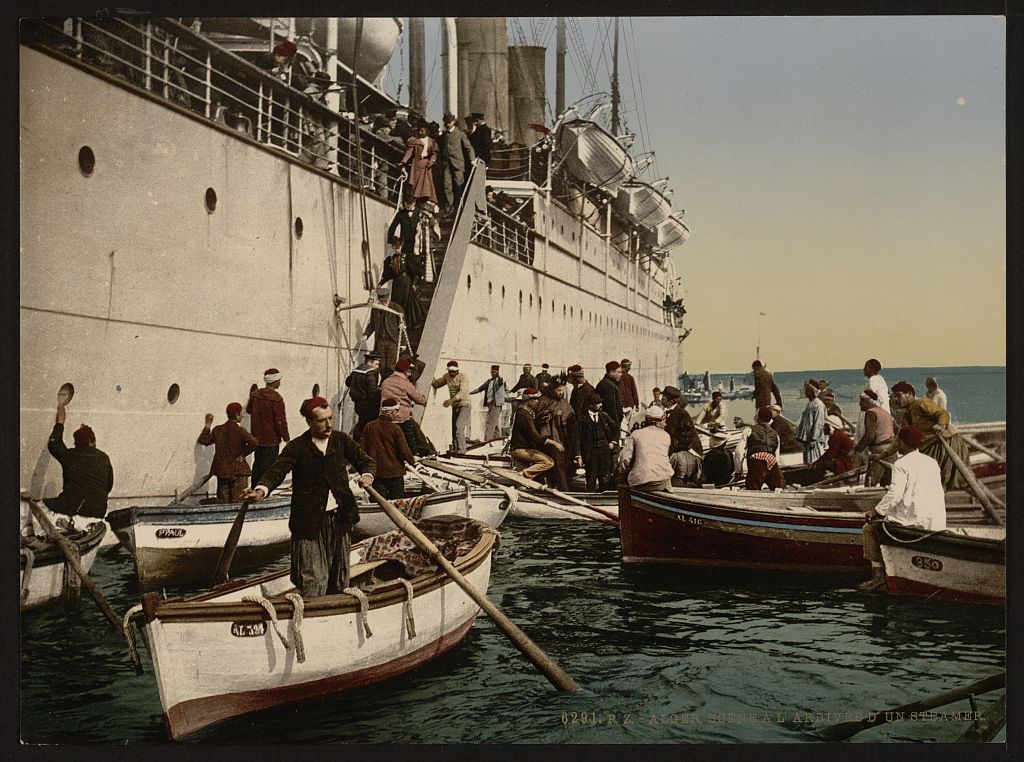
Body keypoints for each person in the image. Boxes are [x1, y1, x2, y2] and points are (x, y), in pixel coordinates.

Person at [244, 397, 375, 598]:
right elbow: (277, 470)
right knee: (312, 579)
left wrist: (367, 475)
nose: (329, 424)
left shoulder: (341, 440)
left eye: (330, 418)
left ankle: (336, 612)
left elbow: (365, 461)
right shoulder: (297, 447)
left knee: (339, 577)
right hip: (309, 521)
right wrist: (261, 489)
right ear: (310, 422)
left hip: (340, 519)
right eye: (322, 420)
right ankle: (312, 611)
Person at [858, 424, 946, 591]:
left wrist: (875, 511)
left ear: (902, 442)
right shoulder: (932, 462)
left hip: (911, 520)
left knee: (869, 528)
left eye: (898, 439)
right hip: (934, 521)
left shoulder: (901, 464)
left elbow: (894, 494)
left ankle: (878, 577)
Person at [885, 381, 970, 492]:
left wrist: (941, 425)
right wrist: (883, 454)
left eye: (898, 395)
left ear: (910, 394)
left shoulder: (922, 402)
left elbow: (942, 413)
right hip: (930, 445)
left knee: (942, 477)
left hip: (946, 443)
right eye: (894, 396)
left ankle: (945, 497)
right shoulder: (906, 415)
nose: (896, 399)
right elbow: (900, 438)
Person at [42, 403, 114, 522]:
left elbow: (54, 444)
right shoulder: (104, 458)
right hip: (98, 512)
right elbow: (109, 486)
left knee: (38, 506)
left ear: (76, 444)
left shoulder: (70, 455)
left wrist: (60, 422)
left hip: (75, 509)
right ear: (92, 441)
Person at [197, 402, 258, 503]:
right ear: (237, 415)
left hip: (222, 472)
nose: (242, 415)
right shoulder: (240, 431)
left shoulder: (218, 430)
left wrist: (208, 424)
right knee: (239, 503)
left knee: (223, 504)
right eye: (241, 413)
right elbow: (254, 443)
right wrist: (243, 455)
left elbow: (204, 440)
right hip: (239, 472)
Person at [358, 398, 416, 500]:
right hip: (395, 473)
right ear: (391, 412)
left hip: (377, 473)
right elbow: (404, 450)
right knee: (397, 502)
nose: (397, 414)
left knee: (379, 501)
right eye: (396, 411)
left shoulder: (369, 427)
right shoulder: (395, 429)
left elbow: (361, 450)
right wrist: (412, 461)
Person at [247, 367, 290, 486]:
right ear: (274, 381)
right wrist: (286, 438)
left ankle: (254, 489)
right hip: (271, 440)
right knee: (269, 468)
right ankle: (264, 492)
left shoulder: (255, 395)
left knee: (257, 465)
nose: (280, 382)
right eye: (279, 380)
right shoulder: (277, 399)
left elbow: (250, 410)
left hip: (257, 439)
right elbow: (280, 422)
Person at [509, 387, 561, 480]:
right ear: (527, 400)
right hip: (521, 450)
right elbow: (536, 437)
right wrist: (555, 443)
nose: (537, 401)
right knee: (549, 462)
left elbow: (527, 428)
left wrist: (539, 421)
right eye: (534, 399)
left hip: (518, 449)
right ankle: (521, 476)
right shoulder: (525, 415)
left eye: (537, 399)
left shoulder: (522, 411)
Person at [619, 405, 674, 493]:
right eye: (664, 421)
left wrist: (624, 471)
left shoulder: (636, 434)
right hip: (662, 480)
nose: (666, 424)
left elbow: (625, 459)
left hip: (641, 481)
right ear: (658, 422)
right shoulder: (666, 436)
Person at [535, 376, 577, 490]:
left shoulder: (564, 403)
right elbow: (538, 421)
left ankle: (561, 487)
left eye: (563, 390)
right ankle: (563, 490)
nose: (561, 393)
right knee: (556, 466)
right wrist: (545, 417)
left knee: (566, 465)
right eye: (559, 390)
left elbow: (570, 417)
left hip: (563, 439)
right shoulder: (544, 401)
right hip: (549, 439)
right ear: (552, 389)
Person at [379, 357, 428, 453]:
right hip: (401, 417)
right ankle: (413, 456)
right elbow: (418, 398)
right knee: (409, 440)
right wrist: (424, 400)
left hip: (385, 416)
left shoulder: (386, 381)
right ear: (406, 371)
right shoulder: (404, 383)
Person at [575, 393, 617, 492]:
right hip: (591, 452)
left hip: (604, 450)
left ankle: (604, 494)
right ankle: (591, 497)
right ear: (590, 405)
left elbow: (615, 427)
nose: (600, 405)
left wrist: (613, 442)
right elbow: (577, 439)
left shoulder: (604, 416)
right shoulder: (582, 419)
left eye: (600, 403)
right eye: (597, 403)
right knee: (591, 476)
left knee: (605, 475)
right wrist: (578, 455)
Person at [853, 389, 896, 487]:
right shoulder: (884, 412)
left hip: (880, 451)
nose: (859, 404)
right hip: (891, 450)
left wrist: (857, 449)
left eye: (861, 401)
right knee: (887, 484)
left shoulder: (870, 413)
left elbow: (869, 436)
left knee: (871, 483)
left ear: (866, 401)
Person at [437, 112, 475, 213]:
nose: (447, 124)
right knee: (447, 186)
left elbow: (468, 147)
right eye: (446, 122)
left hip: (458, 164)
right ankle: (449, 208)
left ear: (453, 122)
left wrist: (472, 160)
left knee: (459, 185)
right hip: (446, 165)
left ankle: (459, 207)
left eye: (449, 122)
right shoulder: (443, 136)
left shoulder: (460, 134)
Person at [363, 286, 405, 377]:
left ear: (388, 298)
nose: (383, 303)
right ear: (378, 299)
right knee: (380, 365)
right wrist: (366, 335)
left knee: (391, 366)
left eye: (385, 301)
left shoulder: (396, 308)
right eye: (381, 301)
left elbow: (402, 327)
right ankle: (382, 383)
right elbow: (372, 324)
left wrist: (403, 343)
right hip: (380, 341)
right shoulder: (375, 308)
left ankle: (388, 384)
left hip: (392, 341)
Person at [431, 360, 471, 454]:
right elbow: (437, 384)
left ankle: (462, 450)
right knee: (454, 429)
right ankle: (455, 449)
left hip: (464, 405)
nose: (451, 373)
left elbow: (462, 393)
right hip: (455, 406)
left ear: (457, 371)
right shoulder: (447, 376)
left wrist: (450, 401)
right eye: (450, 371)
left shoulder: (463, 377)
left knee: (459, 426)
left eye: (453, 371)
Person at [398, 121, 438, 206]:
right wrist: (403, 161)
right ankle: (414, 202)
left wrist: (431, 161)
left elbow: (434, 154)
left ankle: (424, 202)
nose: (420, 132)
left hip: (426, 165)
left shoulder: (431, 141)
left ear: (426, 130)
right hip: (416, 165)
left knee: (426, 185)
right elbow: (409, 152)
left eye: (422, 131)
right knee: (415, 185)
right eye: (419, 131)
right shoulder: (414, 141)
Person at [744, 406, 784, 490]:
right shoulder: (775, 434)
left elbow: (739, 453)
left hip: (757, 463)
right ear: (770, 420)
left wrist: (738, 471)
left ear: (758, 418)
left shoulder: (749, 430)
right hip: (772, 462)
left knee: (752, 490)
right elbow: (777, 457)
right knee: (778, 489)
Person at [345, 351, 382, 440]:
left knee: (362, 421)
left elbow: (347, 382)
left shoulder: (356, 371)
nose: (377, 367)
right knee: (368, 424)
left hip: (357, 403)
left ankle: (357, 439)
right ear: (369, 363)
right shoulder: (370, 374)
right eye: (376, 364)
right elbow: (372, 392)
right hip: (368, 405)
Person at [661, 386, 703, 456]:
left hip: (689, 452)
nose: (661, 398)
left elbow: (686, 437)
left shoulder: (682, 414)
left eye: (663, 397)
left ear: (671, 401)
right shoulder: (665, 412)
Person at [470, 364, 507, 441]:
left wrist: (498, 374)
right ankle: (497, 439)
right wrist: (469, 393)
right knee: (495, 422)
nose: (492, 373)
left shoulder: (500, 381)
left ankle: (487, 439)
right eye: (491, 372)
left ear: (497, 372)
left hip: (496, 404)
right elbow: (479, 389)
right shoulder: (489, 381)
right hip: (489, 404)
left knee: (490, 423)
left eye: (494, 372)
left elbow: (501, 382)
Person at [794, 380, 828, 464]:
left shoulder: (818, 404)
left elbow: (818, 423)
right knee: (808, 461)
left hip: (813, 440)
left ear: (813, 391)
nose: (805, 392)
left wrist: (814, 438)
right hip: (807, 439)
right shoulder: (810, 404)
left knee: (814, 460)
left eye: (807, 390)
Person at [596, 360, 624, 438]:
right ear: (611, 372)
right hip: (610, 429)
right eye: (619, 372)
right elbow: (611, 409)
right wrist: (615, 428)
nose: (621, 375)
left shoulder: (606, 383)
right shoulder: (609, 386)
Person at [617, 358, 641, 423]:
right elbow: (634, 392)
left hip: (620, 405)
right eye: (629, 366)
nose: (630, 368)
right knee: (628, 424)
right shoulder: (630, 377)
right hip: (629, 404)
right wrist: (637, 404)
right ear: (626, 367)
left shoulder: (617, 377)